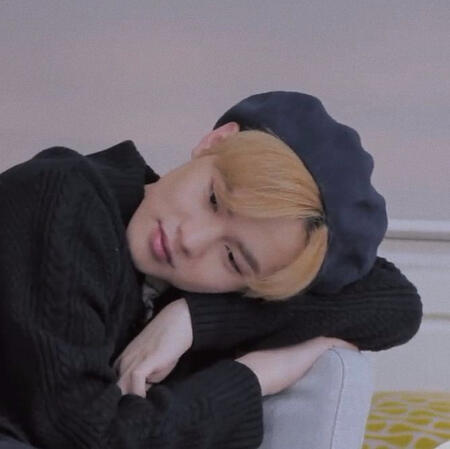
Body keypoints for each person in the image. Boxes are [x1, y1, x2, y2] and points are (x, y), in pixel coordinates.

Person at [0, 91, 422, 449]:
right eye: (214, 199)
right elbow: (93, 438)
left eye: (233, 258)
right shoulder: (61, 198)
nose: (191, 239)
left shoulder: (191, 287)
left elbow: (397, 304)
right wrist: (257, 375)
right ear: (214, 142)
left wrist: (193, 319)